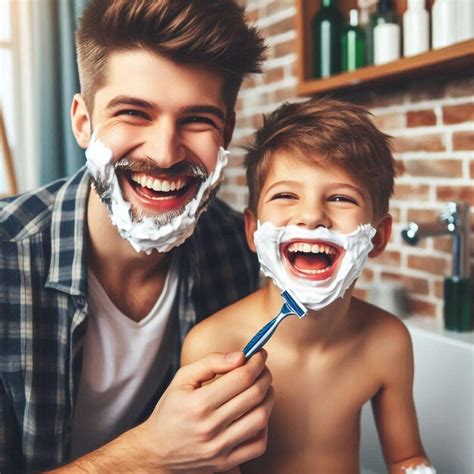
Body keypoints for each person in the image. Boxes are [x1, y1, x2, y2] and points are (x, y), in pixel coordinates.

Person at [0, 0, 275, 472]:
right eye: (133, 113)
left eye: (197, 120)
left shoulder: (243, 251)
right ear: (83, 122)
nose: (166, 153)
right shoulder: (7, 256)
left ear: (226, 132)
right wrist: (151, 452)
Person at [182, 98, 435, 473]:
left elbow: (406, 459)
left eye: (340, 198)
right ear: (252, 231)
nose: (312, 216)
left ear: (378, 237)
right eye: (286, 195)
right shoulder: (213, 347)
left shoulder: (387, 342)